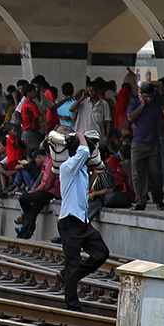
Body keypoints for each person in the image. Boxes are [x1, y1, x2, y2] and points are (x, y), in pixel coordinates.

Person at [56, 131, 110, 311]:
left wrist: (95, 175)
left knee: (101, 253)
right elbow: (84, 152)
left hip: (82, 222)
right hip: (69, 222)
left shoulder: (82, 171)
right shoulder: (67, 167)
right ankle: (72, 305)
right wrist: (80, 135)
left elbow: (83, 191)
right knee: (72, 263)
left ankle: (67, 275)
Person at [126, 82, 164, 211]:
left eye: (150, 96)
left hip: (153, 141)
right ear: (141, 95)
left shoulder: (157, 99)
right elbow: (130, 117)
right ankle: (140, 201)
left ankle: (158, 199)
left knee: (156, 173)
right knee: (138, 174)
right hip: (138, 143)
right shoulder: (134, 103)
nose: (149, 99)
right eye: (146, 97)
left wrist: (147, 83)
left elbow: (161, 85)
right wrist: (142, 105)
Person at [14, 148, 59, 239]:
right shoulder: (46, 164)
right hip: (44, 191)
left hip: (49, 193)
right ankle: (24, 234)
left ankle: (24, 225)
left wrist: (32, 191)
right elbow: (39, 180)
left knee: (23, 198)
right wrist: (33, 190)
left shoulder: (50, 164)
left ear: (39, 157)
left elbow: (45, 186)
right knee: (32, 212)